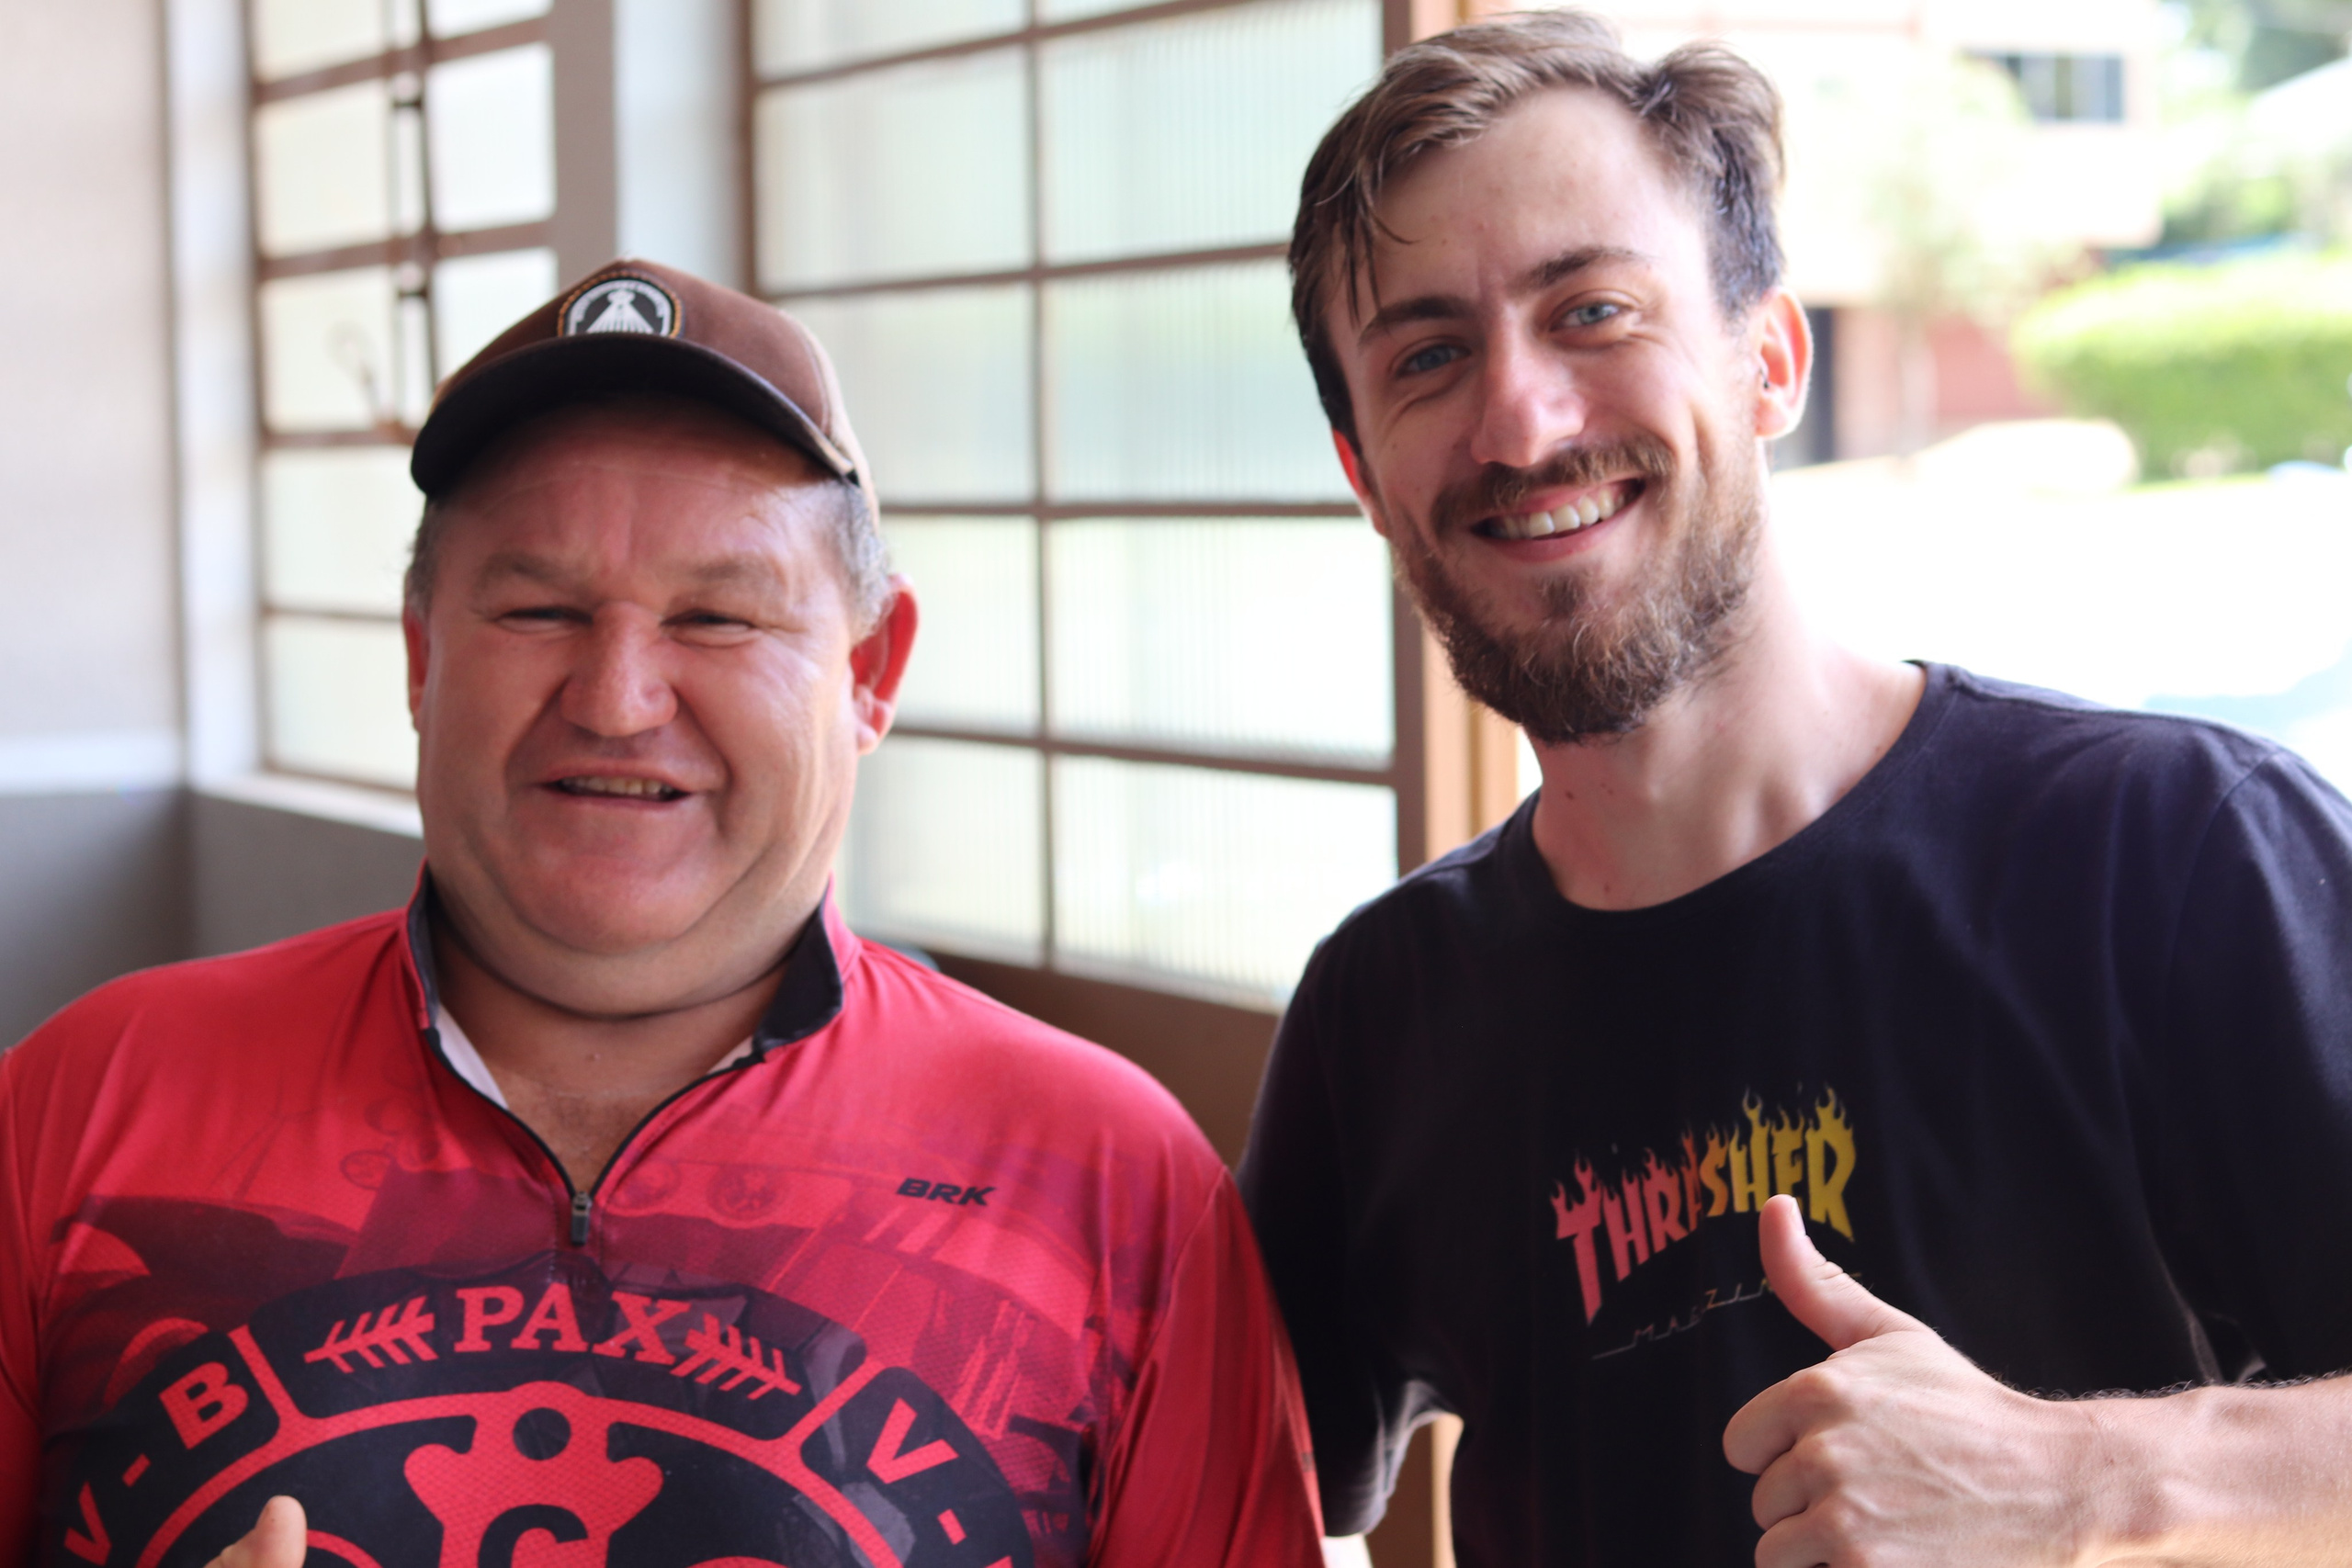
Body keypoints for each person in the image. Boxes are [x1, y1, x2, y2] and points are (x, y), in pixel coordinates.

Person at [1238, 13, 2352, 1566]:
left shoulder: (2170, 856)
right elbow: (1230, 1486)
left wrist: (2081, 1481)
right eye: (1427, 357)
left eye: (1595, 310)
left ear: (1770, 359)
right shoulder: (1384, 1010)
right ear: (1365, 472)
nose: (1520, 418)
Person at [0, 260, 1323, 1568]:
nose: (619, 695)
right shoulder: (83, 1106)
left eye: (718, 616)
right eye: (538, 608)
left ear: (870, 671)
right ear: (420, 655)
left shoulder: (1105, 1180)